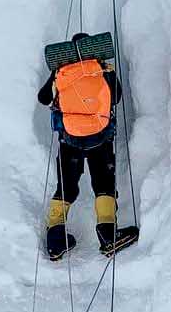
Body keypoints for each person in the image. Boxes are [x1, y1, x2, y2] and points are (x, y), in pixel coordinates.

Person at [38, 37, 138, 257]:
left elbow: (43, 98)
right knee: (103, 184)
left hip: (69, 140)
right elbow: (117, 98)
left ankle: (55, 240)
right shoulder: (102, 68)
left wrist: (57, 75)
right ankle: (108, 235)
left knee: (67, 186)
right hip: (100, 138)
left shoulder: (62, 70)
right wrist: (108, 73)